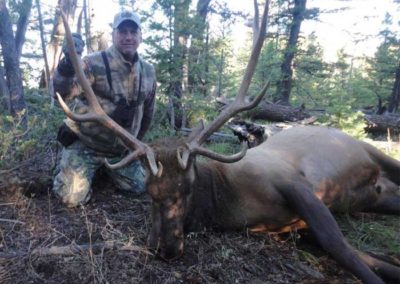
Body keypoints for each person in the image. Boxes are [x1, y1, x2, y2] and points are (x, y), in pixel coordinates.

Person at [52, 11, 156, 207]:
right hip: (86, 145)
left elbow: (148, 112)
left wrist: (135, 143)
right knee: (69, 198)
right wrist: (67, 66)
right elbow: (62, 92)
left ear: (140, 36)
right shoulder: (92, 63)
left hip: (120, 150)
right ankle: (73, 165)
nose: (128, 37)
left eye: (133, 32)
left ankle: (103, 171)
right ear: (114, 34)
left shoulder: (148, 72)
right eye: (122, 31)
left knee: (140, 187)